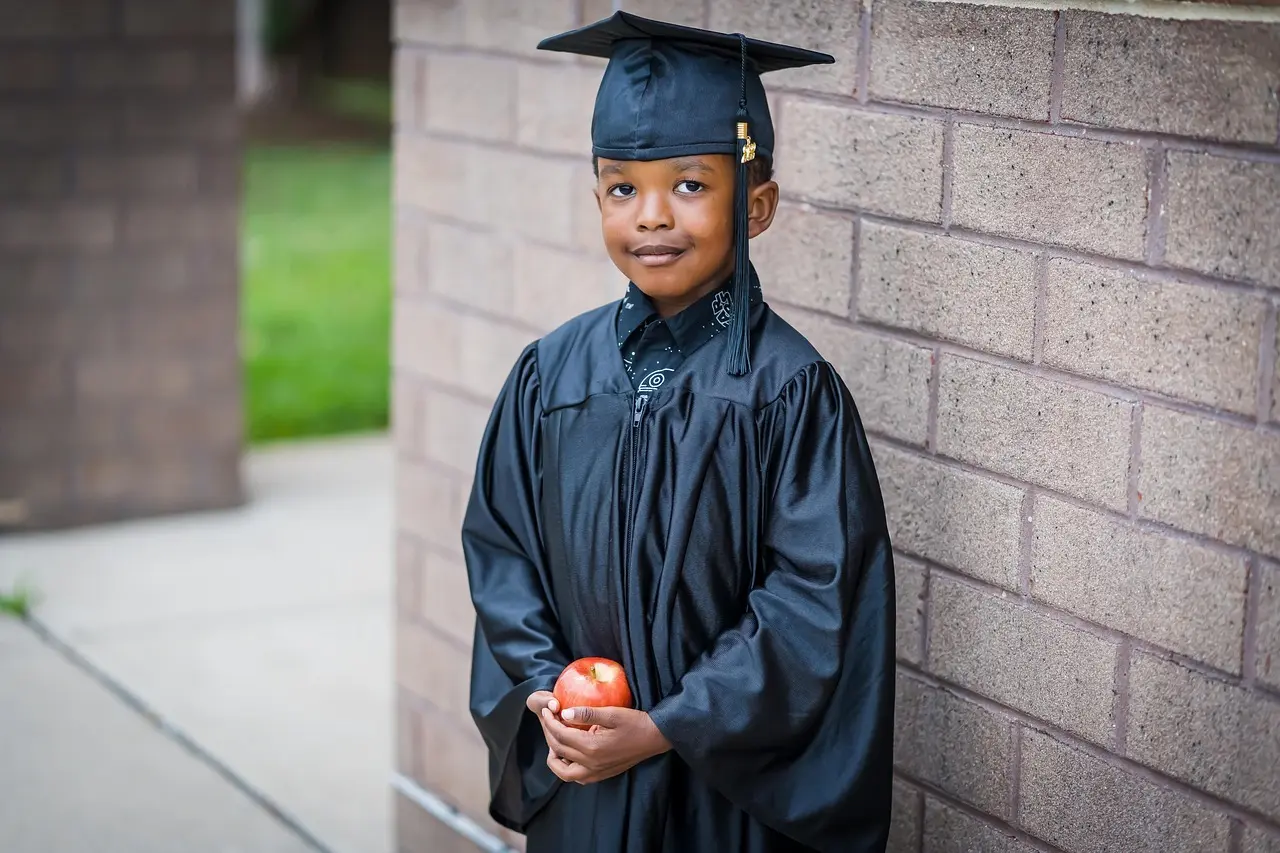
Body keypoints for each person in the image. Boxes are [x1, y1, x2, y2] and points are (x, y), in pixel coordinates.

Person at [461, 11, 895, 853]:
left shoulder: (789, 392)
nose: (652, 216)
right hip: (582, 767)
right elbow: (502, 547)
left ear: (756, 205)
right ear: (597, 199)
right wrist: (548, 690)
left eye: (691, 185)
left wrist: (671, 723)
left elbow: (813, 600)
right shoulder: (552, 374)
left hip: (720, 796)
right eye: (623, 188)